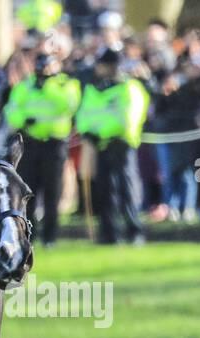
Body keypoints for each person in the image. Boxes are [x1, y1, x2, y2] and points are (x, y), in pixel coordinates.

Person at [4, 51, 80, 244]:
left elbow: (67, 104)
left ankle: (50, 236)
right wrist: (23, 120)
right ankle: (30, 233)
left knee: (52, 191)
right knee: (29, 190)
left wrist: (48, 86)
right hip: (31, 142)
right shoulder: (26, 86)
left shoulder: (65, 84)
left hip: (55, 143)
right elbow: (12, 109)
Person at [75, 47, 149, 245]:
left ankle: (135, 232)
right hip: (100, 145)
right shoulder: (94, 89)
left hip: (121, 144)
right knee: (105, 191)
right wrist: (88, 131)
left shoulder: (129, 89)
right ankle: (109, 234)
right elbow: (84, 114)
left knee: (126, 189)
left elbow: (126, 119)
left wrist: (98, 131)